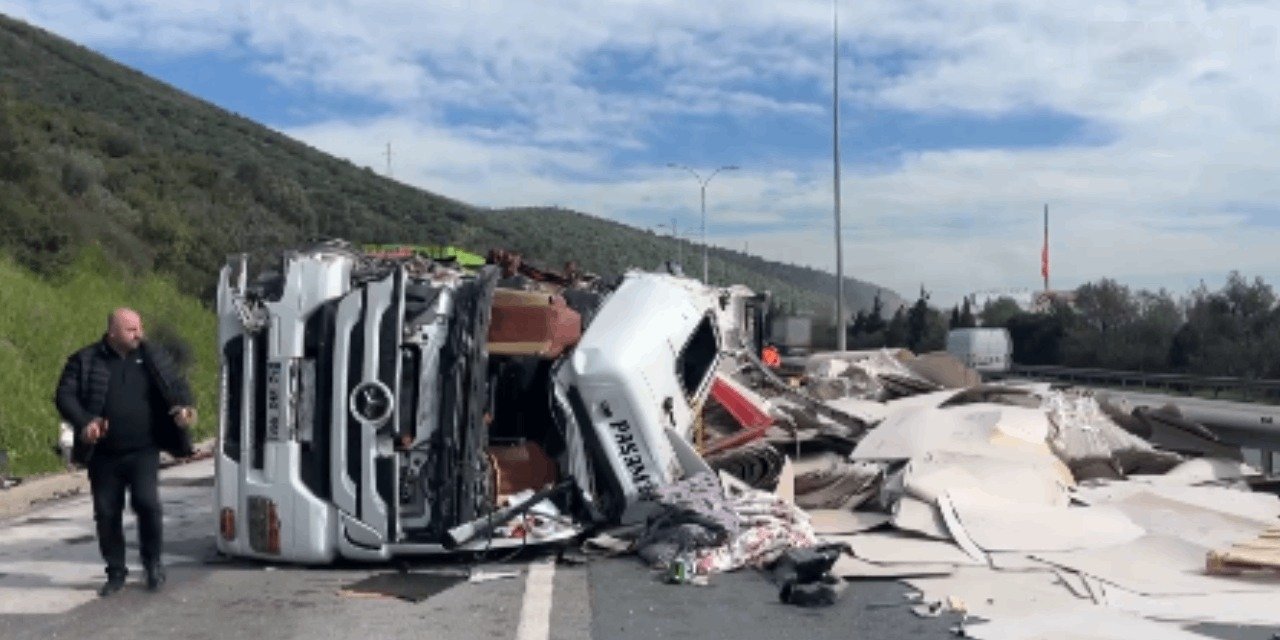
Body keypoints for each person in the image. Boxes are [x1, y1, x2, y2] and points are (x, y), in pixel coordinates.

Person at [54, 308, 196, 597]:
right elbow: (64, 395)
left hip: (144, 449)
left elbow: (177, 385)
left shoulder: (152, 356)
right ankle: (115, 571)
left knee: (148, 504)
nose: (138, 334)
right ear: (113, 332)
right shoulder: (86, 360)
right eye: (131, 329)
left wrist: (184, 409)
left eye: (139, 327)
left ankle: (153, 564)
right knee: (107, 513)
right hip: (104, 454)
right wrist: (85, 422)